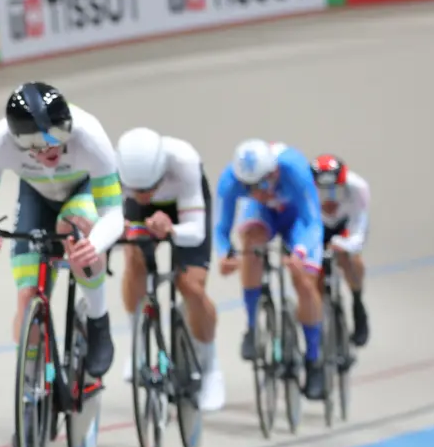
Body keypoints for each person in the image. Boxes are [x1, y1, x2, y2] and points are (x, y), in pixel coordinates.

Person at [0, 81, 123, 379]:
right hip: (37, 194)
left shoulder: (89, 135)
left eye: (57, 135)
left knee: (74, 234)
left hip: (83, 191)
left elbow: (113, 213)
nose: (49, 146)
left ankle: (98, 320)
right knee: (27, 298)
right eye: (35, 141)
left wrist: (94, 244)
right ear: (15, 138)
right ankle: (30, 389)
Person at [115, 127, 225, 411]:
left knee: (191, 286)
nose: (143, 195)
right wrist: (115, 233)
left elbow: (197, 233)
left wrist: (172, 229)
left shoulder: (184, 162)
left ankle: (210, 367)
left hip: (185, 208)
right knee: (134, 258)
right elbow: (105, 237)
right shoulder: (113, 170)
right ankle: (138, 347)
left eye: (148, 188)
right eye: (135, 190)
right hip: (142, 215)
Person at [215, 139, 327, 400]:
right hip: (263, 215)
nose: (258, 193)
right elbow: (221, 229)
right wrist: (225, 254)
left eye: (263, 185)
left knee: (304, 282)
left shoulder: (294, 169)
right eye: (249, 188)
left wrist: (300, 252)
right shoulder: (230, 180)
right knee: (250, 244)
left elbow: (313, 222)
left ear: (274, 172)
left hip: (298, 219)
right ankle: (252, 327)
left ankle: (314, 359)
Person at [311, 153, 370, 347]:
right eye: (322, 190)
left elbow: (359, 231)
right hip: (317, 227)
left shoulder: (358, 187)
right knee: (314, 274)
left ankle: (357, 304)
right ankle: (318, 320)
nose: (329, 197)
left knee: (351, 260)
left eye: (336, 189)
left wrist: (344, 245)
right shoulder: (304, 188)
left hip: (345, 227)